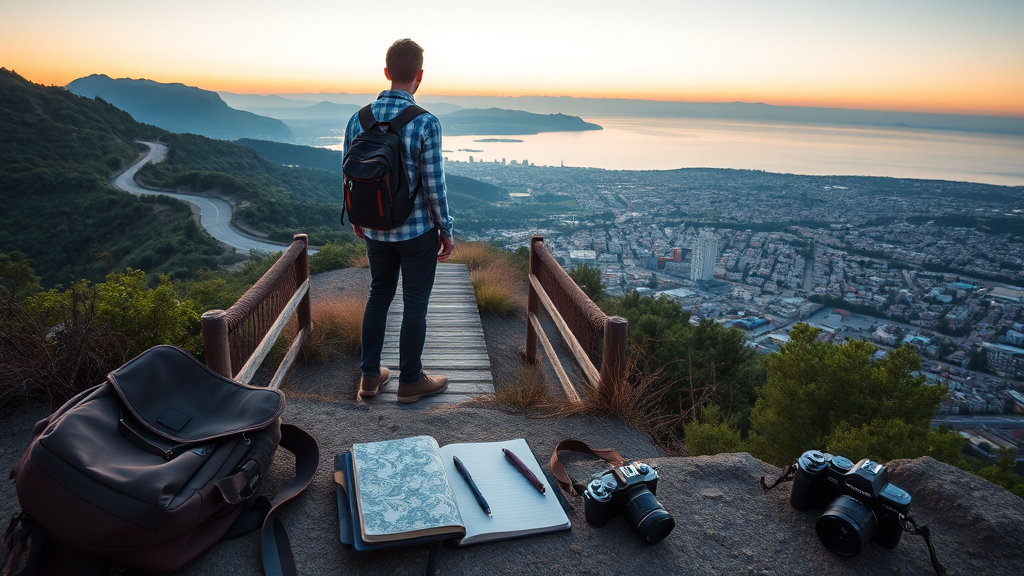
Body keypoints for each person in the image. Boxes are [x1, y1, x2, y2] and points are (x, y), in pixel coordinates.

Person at [345, 38, 455, 404]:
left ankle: (370, 377)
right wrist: (446, 229)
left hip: (374, 228)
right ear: (419, 76)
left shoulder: (357, 118)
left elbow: (348, 174)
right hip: (416, 231)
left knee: (378, 297)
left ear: (387, 72)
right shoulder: (425, 122)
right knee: (415, 304)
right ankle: (410, 380)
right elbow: (434, 185)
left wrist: (358, 218)